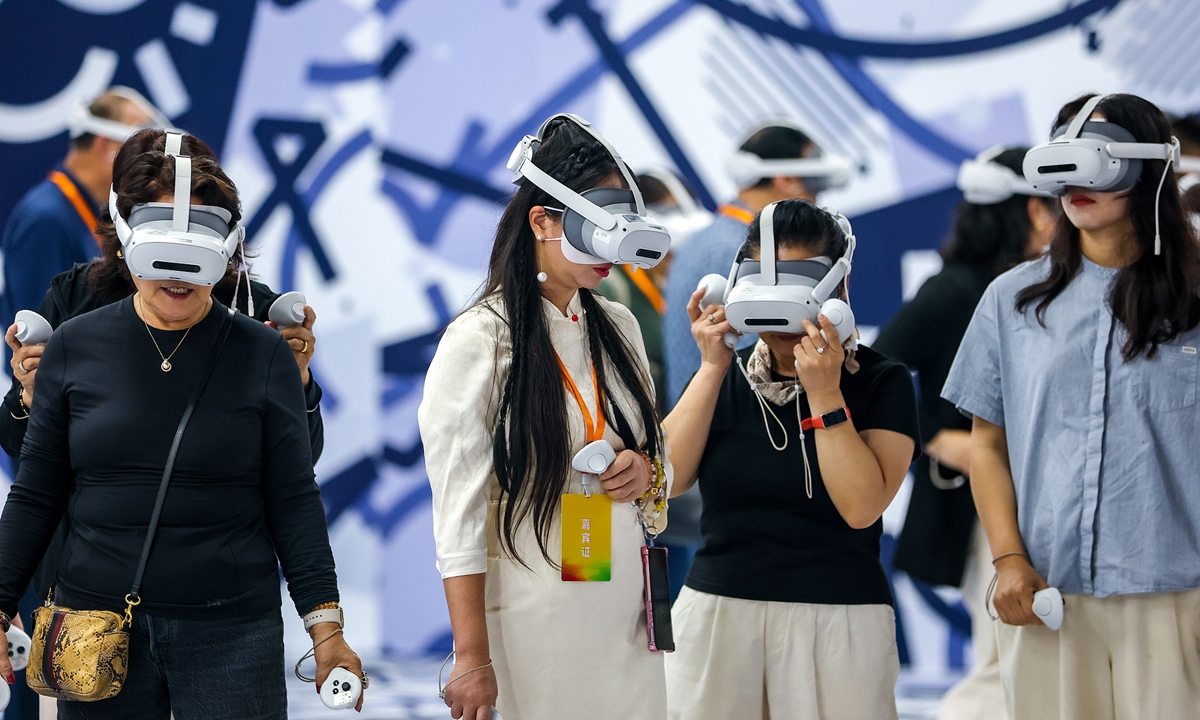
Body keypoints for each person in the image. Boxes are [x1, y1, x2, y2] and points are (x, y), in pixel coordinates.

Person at [0, 128, 363, 718]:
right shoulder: (73, 336)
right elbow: (36, 491)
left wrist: (325, 629)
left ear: (226, 245)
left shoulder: (263, 347)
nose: (178, 266)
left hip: (230, 629)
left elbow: (292, 492)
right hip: (94, 623)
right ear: (123, 238)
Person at [943, 93, 1200, 720]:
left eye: (1097, 161)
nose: (1075, 183)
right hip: (1047, 593)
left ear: (1149, 169)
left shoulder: (1194, 300)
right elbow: (988, 442)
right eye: (1062, 161)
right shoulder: (1013, 300)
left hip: (1177, 592)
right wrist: (1007, 560)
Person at [419, 116, 671, 720]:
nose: (614, 250)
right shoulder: (480, 339)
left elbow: (655, 457)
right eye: (597, 225)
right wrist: (471, 657)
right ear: (542, 221)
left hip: (624, 606)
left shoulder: (620, 326)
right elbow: (458, 515)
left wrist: (642, 470)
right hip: (533, 607)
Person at [662, 199, 920, 720]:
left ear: (839, 291)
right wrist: (713, 365)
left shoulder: (879, 381)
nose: (781, 315)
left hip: (839, 620)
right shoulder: (724, 376)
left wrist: (825, 395)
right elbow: (665, 478)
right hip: (718, 616)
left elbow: (861, 507)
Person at [874, 146, 1058, 720]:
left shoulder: (1046, 284)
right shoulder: (959, 289)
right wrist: (935, 436)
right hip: (986, 498)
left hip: (1044, 490)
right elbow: (875, 370)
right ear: (1032, 212)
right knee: (1003, 651)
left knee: (1022, 649)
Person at [663, 122, 839, 407]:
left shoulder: (706, 238)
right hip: (726, 422)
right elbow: (764, 362)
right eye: (814, 182)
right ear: (787, 178)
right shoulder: (745, 250)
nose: (818, 197)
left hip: (699, 415)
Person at [1, 88, 163, 331]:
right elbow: (38, 338)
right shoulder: (44, 220)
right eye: (143, 151)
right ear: (108, 147)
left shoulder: (94, 211)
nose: (151, 164)